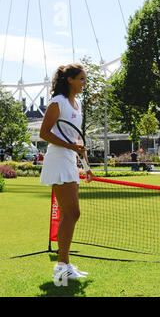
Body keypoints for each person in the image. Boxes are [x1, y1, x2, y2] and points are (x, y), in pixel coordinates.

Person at [39, 63, 93, 281]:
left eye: (85, 79)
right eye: (81, 79)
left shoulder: (78, 104)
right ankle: (62, 266)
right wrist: (71, 148)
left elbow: (77, 139)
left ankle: (64, 264)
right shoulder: (57, 102)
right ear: (69, 80)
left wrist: (86, 165)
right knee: (72, 213)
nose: (84, 83)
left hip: (70, 159)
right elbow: (44, 133)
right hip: (58, 160)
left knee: (72, 214)